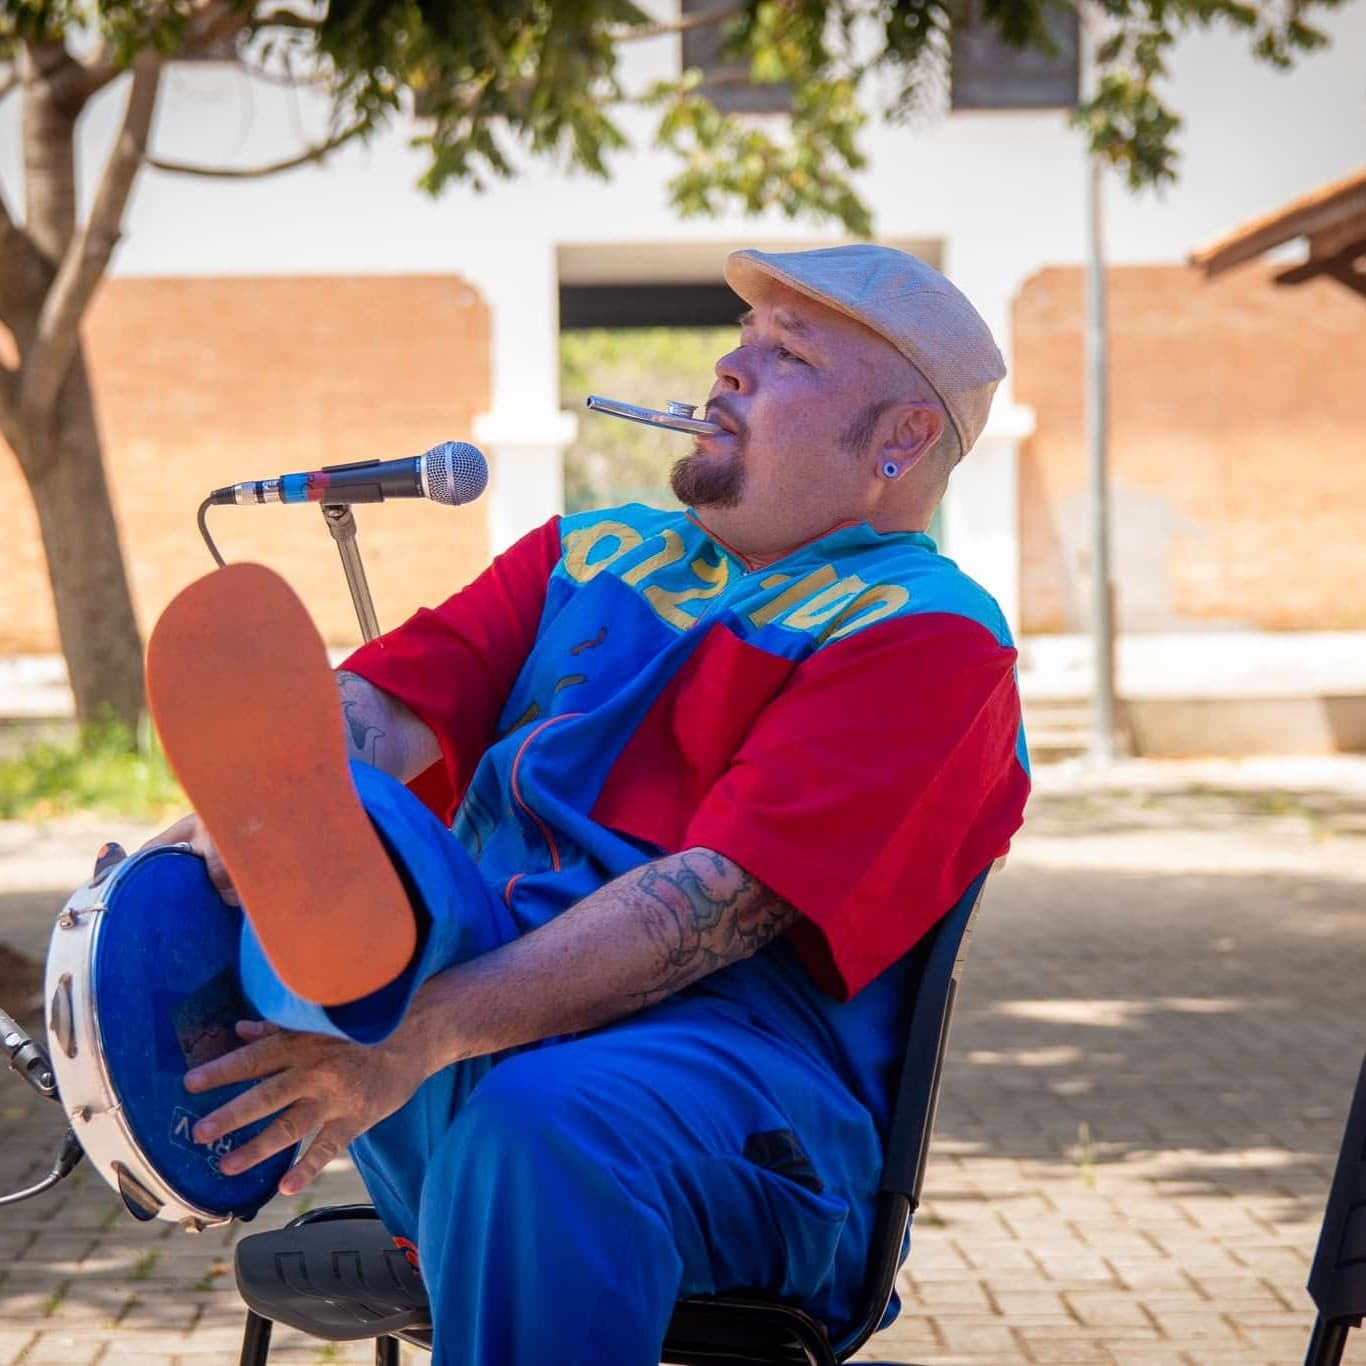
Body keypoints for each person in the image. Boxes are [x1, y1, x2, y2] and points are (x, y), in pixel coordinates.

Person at [144, 243, 1031, 1365]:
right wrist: (272, 796)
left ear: (900, 440)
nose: (729, 367)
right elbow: (391, 704)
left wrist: (412, 1037)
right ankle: (239, 929)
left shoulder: (929, 634)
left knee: (538, 1119)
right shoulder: (584, 549)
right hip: (461, 1042)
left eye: (788, 355)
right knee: (384, 833)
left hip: (735, 1112)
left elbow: (708, 904)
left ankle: (351, 989)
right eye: (743, 339)